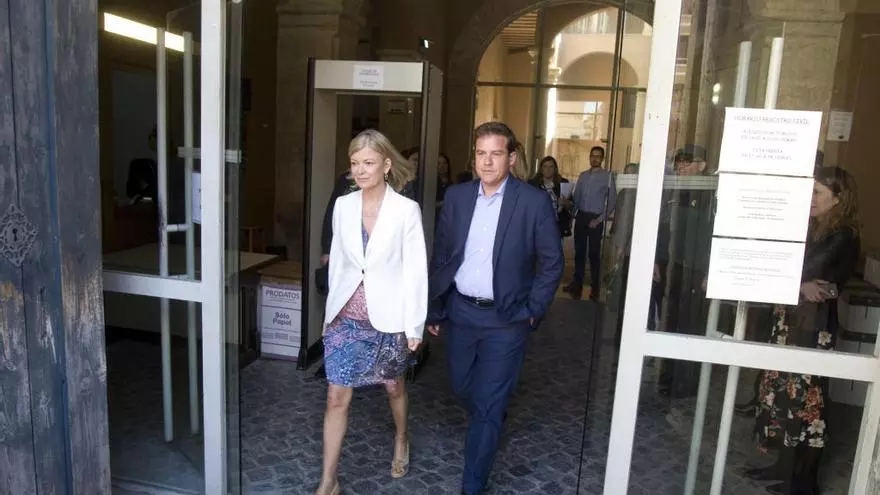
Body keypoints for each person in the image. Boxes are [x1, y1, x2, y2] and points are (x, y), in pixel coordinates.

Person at [427, 121, 563, 495]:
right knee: (461, 386)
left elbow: (552, 262)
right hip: (461, 313)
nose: (487, 162)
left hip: (507, 318)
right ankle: (492, 408)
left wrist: (533, 308)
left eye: (496, 154)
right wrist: (435, 307)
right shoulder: (456, 197)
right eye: (481, 153)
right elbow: (442, 256)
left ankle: (472, 483)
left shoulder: (532, 202)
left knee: (487, 405)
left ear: (512, 158)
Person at [316, 129, 427, 495]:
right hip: (346, 317)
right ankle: (328, 481)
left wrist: (414, 325)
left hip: (388, 317)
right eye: (354, 163)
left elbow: (415, 270)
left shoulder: (406, 211)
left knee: (394, 387)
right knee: (336, 396)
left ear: (386, 164)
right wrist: (329, 314)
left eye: (368, 162)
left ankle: (401, 437)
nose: (360, 170)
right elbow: (338, 264)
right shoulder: (343, 206)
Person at [746, 167, 859, 495]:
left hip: (813, 328)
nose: (810, 199)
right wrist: (798, 282)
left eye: (817, 193)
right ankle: (784, 467)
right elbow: (791, 270)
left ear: (838, 199)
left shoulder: (843, 236)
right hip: (791, 321)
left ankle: (804, 483)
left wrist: (797, 280)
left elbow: (818, 279)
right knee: (784, 398)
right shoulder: (813, 228)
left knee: (808, 406)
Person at [654, 145, 714, 398]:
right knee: (671, 320)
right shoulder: (675, 190)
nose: (680, 167)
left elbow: (714, 235)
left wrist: (710, 271)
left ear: (702, 166)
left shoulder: (710, 194)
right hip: (674, 265)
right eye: (678, 162)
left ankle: (685, 382)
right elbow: (663, 226)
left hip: (697, 269)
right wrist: (657, 260)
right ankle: (668, 376)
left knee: (691, 325)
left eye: (687, 162)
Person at [565, 146, 617, 301]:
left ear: (602, 158)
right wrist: (573, 216)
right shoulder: (583, 175)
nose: (595, 159)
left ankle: (595, 287)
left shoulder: (608, 176)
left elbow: (612, 201)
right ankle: (577, 283)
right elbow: (577, 197)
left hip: (596, 218)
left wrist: (599, 219)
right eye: (593, 156)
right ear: (590, 157)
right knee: (579, 253)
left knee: (594, 255)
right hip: (581, 216)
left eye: (598, 156)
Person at [528, 156, 573, 237]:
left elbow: (571, 204)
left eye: (551, 166)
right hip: (538, 225)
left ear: (555, 168)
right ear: (541, 169)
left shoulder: (563, 183)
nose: (548, 169)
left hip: (557, 226)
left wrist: (565, 202)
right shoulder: (532, 184)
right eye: (545, 166)